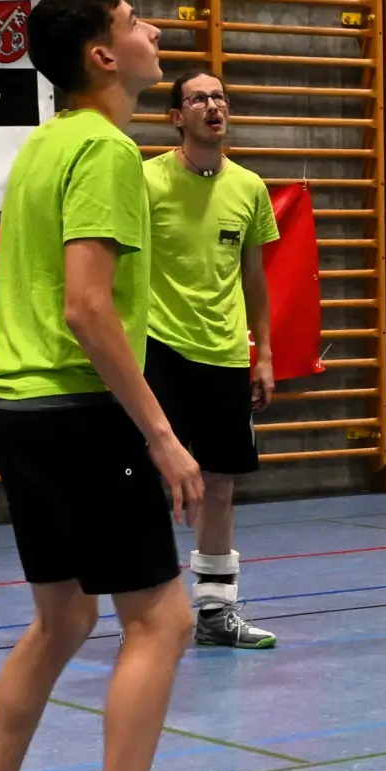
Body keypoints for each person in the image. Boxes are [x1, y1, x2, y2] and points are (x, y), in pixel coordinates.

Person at [0, 0, 231, 771]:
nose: (152, 33)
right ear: (104, 56)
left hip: (13, 407)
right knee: (162, 622)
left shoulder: (45, 145)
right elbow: (87, 307)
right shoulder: (102, 151)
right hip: (77, 413)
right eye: (136, 25)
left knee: (61, 623)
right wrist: (162, 434)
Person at [146, 70, 281, 650]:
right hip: (158, 348)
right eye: (198, 98)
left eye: (220, 96)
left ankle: (214, 612)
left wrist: (264, 352)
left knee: (220, 484)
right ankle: (148, 614)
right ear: (177, 117)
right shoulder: (144, 180)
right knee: (152, 482)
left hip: (224, 354)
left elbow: (254, 277)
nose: (212, 104)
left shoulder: (249, 187)